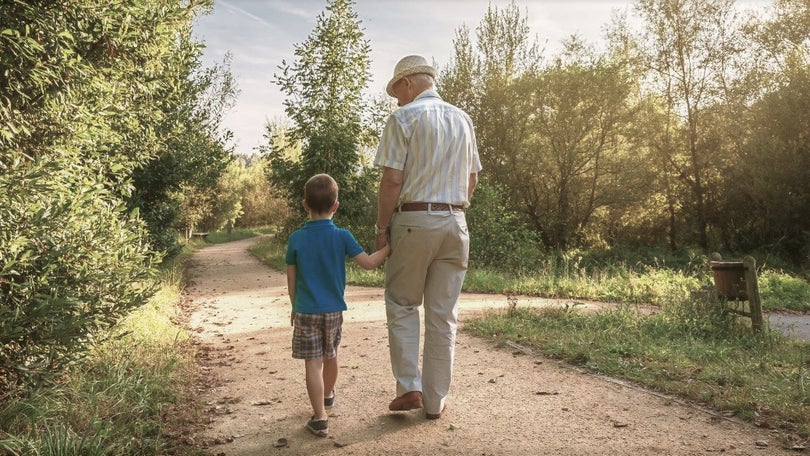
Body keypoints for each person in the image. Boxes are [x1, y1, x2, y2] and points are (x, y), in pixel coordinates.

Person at [373, 55, 482, 420]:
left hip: (414, 221)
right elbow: (472, 180)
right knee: (443, 314)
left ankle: (409, 388)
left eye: (396, 92)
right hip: (456, 222)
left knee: (403, 304)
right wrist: (453, 205)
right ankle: (435, 402)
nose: (396, 100)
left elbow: (392, 179)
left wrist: (381, 228)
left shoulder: (404, 118)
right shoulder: (463, 119)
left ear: (408, 84)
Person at [286, 173, 390, 437]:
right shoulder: (342, 236)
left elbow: (291, 276)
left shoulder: (296, 238)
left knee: (313, 363)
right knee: (330, 354)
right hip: (333, 310)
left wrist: (294, 306)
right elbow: (368, 263)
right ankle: (328, 394)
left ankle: (320, 417)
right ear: (336, 206)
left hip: (306, 310)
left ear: (305, 205)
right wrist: (390, 248)